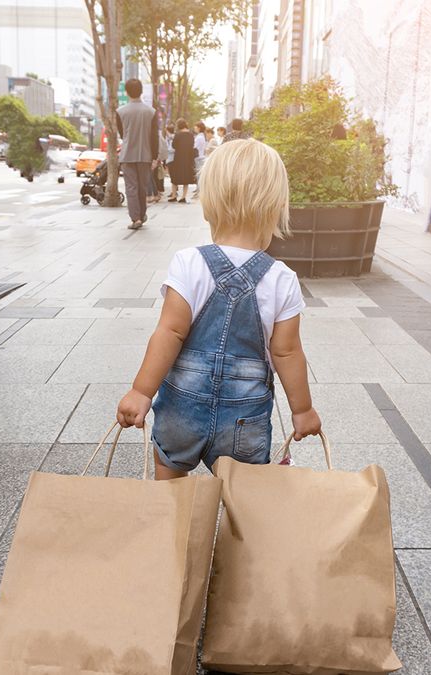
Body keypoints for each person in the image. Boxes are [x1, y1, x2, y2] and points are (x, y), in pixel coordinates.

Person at [116, 139, 322, 479]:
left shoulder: (189, 263)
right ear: (276, 206)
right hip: (245, 419)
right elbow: (287, 352)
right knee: (244, 500)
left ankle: (174, 528)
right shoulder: (281, 278)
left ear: (209, 201)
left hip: (181, 408)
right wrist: (303, 410)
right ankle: (235, 531)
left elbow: (170, 332)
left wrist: (141, 392)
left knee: (169, 494)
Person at [115, 78, 159, 230]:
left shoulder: (120, 112)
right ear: (141, 91)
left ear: (127, 92)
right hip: (146, 155)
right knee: (142, 187)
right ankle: (142, 214)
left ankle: (135, 218)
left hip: (127, 154)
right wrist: (155, 157)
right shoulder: (151, 112)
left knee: (131, 188)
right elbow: (154, 137)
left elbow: (122, 134)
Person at [168, 119, 196, 203]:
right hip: (188, 158)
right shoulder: (191, 135)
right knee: (186, 177)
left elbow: (174, 145)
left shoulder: (178, 135)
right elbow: (192, 146)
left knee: (174, 177)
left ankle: (174, 195)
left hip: (178, 158)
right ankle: (183, 196)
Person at [192, 122, 208, 198]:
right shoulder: (202, 136)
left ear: (198, 128)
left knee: (199, 176)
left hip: (199, 158)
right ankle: (199, 191)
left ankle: (199, 192)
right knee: (199, 175)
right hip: (201, 157)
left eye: (195, 127)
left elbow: (195, 147)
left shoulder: (199, 137)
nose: (194, 128)